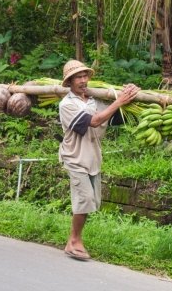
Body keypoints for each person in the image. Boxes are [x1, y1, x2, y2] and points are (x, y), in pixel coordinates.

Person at [58, 60, 140, 261]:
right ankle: (73, 241)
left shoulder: (96, 102)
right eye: (78, 77)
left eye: (85, 76)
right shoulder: (67, 104)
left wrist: (131, 96)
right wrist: (118, 101)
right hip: (74, 157)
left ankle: (75, 239)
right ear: (69, 82)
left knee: (93, 201)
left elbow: (117, 118)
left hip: (93, 158)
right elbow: (93, 121)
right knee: (85, 199)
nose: (83, 80)